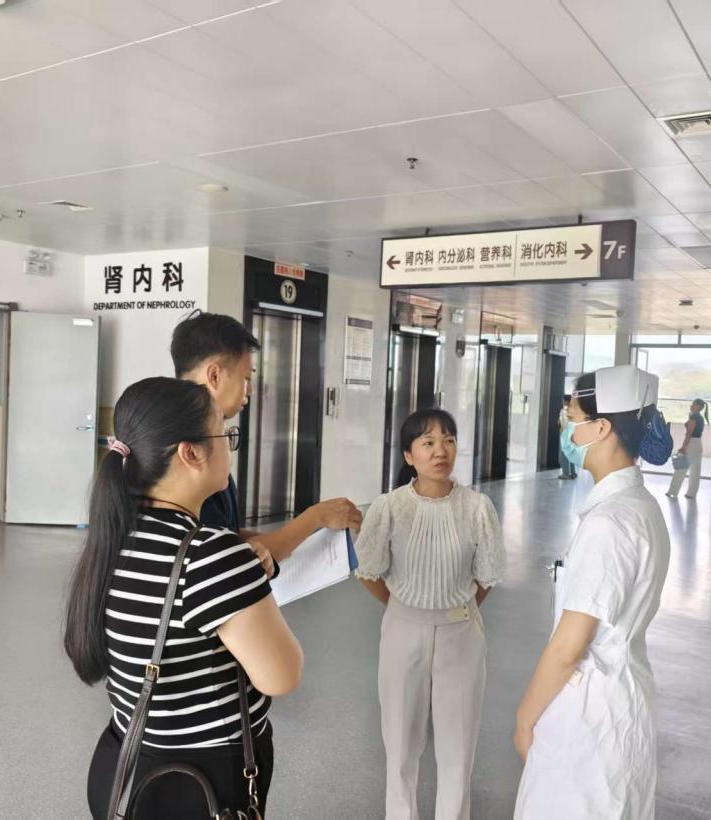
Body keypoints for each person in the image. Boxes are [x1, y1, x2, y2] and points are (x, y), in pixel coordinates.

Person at [64, 377, 304, 818]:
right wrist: (247, 578)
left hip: (125, 766)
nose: (231, 445)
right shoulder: (211, 554)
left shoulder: (114, 536)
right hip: (201, 782)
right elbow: (282, 676)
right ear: (191, 453)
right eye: (225, 433)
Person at [514, 365, 671, 820]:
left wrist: (525, 717)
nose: (567, 430)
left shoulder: (610, 523)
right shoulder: (639, 506)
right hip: (619, 703)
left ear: (601, 429)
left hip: (590, 714)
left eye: (573, 419)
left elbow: (569, 645)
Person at [355, 408, 506, 820]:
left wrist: (455, 611)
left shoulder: (477, 507)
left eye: (448, 440)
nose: (441, 450)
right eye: (428, 442)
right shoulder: (389, 507)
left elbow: (486, 576)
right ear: (409, 455)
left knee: (458, 746)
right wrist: (405, 608)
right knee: (400, 745)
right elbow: (369, 571)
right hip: (402, 631)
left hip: (462, 633)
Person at [170, 311, 362, 564]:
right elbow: (222, 557)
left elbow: (224, 534)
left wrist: (288, 538)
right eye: (246, 378)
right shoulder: (188, 451)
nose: (250, 389)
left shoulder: (200, 437)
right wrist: (315, 517)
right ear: (214, 375)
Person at [666, 398, 708, 499]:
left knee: (681, 468)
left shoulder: (694, 417)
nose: (691, 406)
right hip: (698, 444)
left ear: (698, 406)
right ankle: (691, 493)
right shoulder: (700, 417)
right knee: (695, 470)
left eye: (693, 404)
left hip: (691, 444)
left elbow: (689, 433)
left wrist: (683, 447)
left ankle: (673, 491)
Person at [557, 394, 577, 479]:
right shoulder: (575, 410)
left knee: (563, 454)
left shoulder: (564, 410)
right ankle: (573, 473)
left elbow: (562, 423)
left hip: (565, 433)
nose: (562, 402)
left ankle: (566, 474)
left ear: (565, 401)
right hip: (573, 433)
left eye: (563, 400)